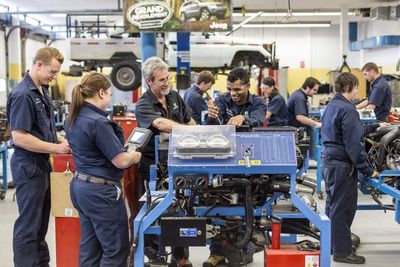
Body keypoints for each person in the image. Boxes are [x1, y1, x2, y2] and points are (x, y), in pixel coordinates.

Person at [64, 72, 141, 267]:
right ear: (100, 93)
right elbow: (121, 161)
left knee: (90, 250)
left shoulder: (73, 117)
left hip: (81, 187)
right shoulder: (98, 122)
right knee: (115, 251)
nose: (109, 98)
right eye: (109, 93)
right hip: (101, 193)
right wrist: (134, 155)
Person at [6, 47, 71, 267]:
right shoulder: (23, 94)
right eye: (52, 71)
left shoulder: (42, 90)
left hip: (42, 165)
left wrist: (60, 140)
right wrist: (55, 148)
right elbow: (20, 137)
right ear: (38, 64)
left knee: (41, 225)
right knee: (29, 226)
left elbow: (42, 129)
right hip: (28, 167)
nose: (54, 77)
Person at [135, 57, 196, 267]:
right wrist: (187, 130)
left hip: (179, 165)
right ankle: (154, 255)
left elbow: (190, 121)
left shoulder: (174, 97)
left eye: (167, 78)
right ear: (149, 81)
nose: (166, 83)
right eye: (161, 79)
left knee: (182, 210)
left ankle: (180, 256)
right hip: (152, 168)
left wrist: (198, 136)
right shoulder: (143, 104)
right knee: (152, 212)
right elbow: (160, 124)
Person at [203, 68, 266, 267]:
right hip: (223, 159)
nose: (233, 93)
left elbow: (258, 119)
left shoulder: (257, 102)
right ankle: (216, 252)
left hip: (249, 162)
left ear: (248, 86)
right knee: (217, 205)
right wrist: (211, 116)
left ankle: (243, 246)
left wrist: (243, 119)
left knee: (245, 207)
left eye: (237, 89)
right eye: (230, 89)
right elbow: (212, 125)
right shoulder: (222, 100)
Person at [321, 72, 380, 264]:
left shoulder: (332, 105)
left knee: (332, 207)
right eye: (356, 88)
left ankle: (332, 245)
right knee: (343, 210)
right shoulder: (348, 110)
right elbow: (354, 146)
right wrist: (368, 170)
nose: (356, 92)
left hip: (329, 163)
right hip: (342, 167)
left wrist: (374, 127)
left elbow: (347, 131)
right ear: (349, 87)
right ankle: (342, 252)